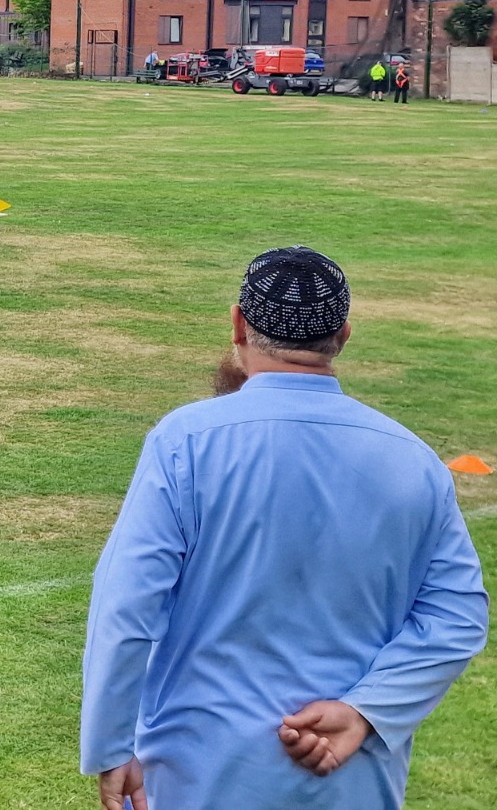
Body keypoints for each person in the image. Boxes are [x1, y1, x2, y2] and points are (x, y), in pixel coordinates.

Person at [81, 246, 488, 810]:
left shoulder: (186, 442)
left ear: (238, 325)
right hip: (351, 778)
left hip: (197, 769)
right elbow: (457, 615)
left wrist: (109, 745)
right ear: (343, 335)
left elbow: (126, 605)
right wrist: (367, 710)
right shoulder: (411, 458)